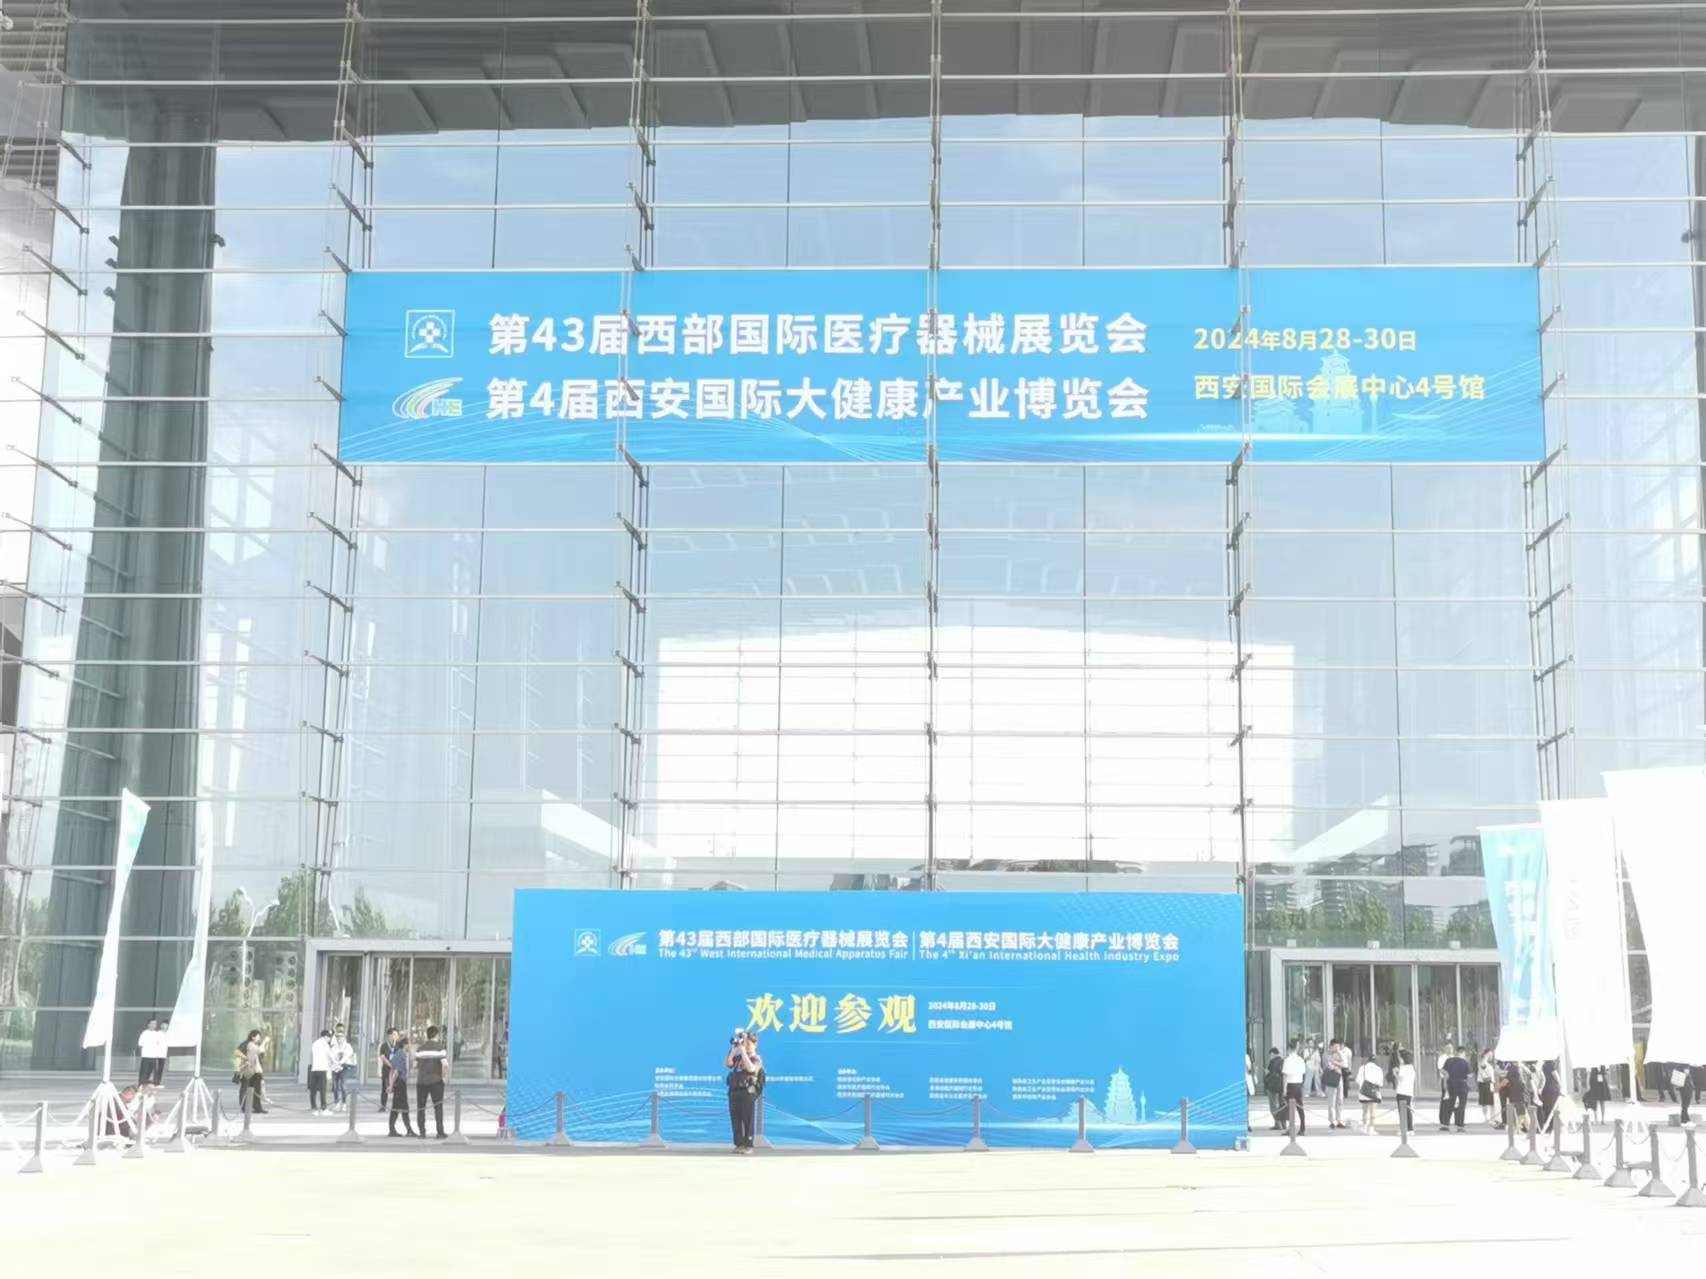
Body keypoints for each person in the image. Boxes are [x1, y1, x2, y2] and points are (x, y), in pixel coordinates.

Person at [725, 1029, 759, 1153]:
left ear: (755, 1044)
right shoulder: (738, 1058)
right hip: (734, 1091)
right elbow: (728, 1063)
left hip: (747, 1092)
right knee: (736, 1119)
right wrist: (734, 1050)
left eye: (749, 1044)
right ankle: (739, 1144)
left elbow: (751, 1069)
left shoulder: (756, 1058)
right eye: (745, 1043)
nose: (746, 1046)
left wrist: (744, 1051)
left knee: (747, 1119)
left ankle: (748, 1145)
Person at [415, 1024, 448, 1139]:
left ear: (427, 1035)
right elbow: (445, 1065)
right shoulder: (440, 1048)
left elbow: (415, 1065)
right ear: (436, 1035)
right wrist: (443, 1077)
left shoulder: (420, 1048)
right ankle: (440, 1132)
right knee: (438, 1107)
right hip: (436, 1081)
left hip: (421, 1082)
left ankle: (422, 1132)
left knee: (421, 1108)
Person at [387, 1034, 415, 1137]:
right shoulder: (401, 1055)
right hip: (400, 1083)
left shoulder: (397, 1055)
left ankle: (392, 1129)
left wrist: (390, 1084)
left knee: (396, 1107)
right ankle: (408, 1130)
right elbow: (396, 1072)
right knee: (404, 1107)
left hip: (398, 1083)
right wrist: (391, 1085)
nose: (410, 1046)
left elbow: (391, 1070)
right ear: (405, 1045)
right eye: (409, 1044)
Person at [237, 1029, 270, 1115]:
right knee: (245, 1088)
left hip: (256, 1070)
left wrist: (265, 1044)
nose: (259, 1038)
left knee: (257, 1089)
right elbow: (260, 1050)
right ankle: (244, 1107)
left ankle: (257, 1107)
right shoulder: (250, 1044)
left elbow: (262, 1054)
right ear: (253, 1037)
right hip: (248, 1069)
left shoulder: (256, 1045)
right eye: (258, 1037)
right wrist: (265, 1042)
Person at [1441, 1044, 1471, 1132]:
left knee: (1449, 1104)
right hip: (1462, 1084)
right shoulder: (1465, 1063)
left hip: (1451, 1084)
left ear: (1456, 1052)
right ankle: (1459, 1125)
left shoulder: (1449, 1060)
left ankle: (1445, 1124)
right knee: (1461, 1105)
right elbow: (1469, 1075)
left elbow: (1443, 1071)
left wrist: (1446, 1080)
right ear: (1463, 1053)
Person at [1281, 1039, 1307, 1134]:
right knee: (1300, 1107)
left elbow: (1285, 1075)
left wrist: (1284, 1089)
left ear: (1289, 1048)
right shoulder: (1301, 1060)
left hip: (1290, 1085)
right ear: (1296, 1048)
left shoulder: (1287, 1060)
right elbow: (1303, 1073)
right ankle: (1302, 1128)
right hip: (1299, 1085)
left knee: (1290, 1108)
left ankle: (1291, 1129)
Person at [330, 1024, 357, 1112]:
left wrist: (340, 1063)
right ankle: (336, 1103)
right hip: (335, 1068)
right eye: (337, 1037)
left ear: (344, 1037)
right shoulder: (333, 1046)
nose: (339, 1039)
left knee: (343, 1086)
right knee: (335, 1087)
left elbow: (347, 1056)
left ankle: (344, 1104)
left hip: (344, 1068)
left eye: (341, 1037)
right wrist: (336, 1064)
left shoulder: (347, 1046)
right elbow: (332, 1056)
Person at [307, 1027, 334, 1114]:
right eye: (329, 1037)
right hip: (322, 1069)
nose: (330, 1039)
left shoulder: (315, 1043)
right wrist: (337, 1063)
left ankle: (313, 1107)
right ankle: (323, 1108)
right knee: (323, 1090)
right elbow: (330, 1056)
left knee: (313, 1090)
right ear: (325, 1037)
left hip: (314, 1069)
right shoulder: (325, 1044)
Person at [1356, 1054, 1385, 1134]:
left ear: (1368, 1060)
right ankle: (1371, 1129)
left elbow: (1358, 1080)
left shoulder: (1362, 1068)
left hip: (1363, 1092)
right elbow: (1380, 1083)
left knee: (1364, 1111)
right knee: (1373, 1112)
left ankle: (1364, 1127)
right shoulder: (1378, 1069)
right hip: (1373, 1092)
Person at [137, 1018, 167, 1089]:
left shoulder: (157, 1034)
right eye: (152, 1023)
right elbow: (140, 1044)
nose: (154, 1025)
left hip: (154, 1056)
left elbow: (160, 1043)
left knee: (155, 1071)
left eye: (155, 1024)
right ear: (148, 1025)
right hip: (146, 1056)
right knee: (144, 1072)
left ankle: (155, 1084)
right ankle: (141, 1085)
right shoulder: (144, 1033)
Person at [1322, 1037, 1345, 1129]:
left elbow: (1345, 1064)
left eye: (1338, 1046)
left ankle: (1339, 1120)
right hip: (1331, 1078)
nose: (1337, 1048)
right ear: (1331, 1046)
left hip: (1339, 1078)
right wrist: (1338, 1065)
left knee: (1340, 1099)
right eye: (1336, 1046)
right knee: (1331, 1100)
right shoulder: (1326, 1054)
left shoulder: (1339, 1053)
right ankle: (1332, 1121)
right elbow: (1328, 1066)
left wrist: (1335, 1061)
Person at [1394, 1049, 1416, 1139]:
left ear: (1403, 1058)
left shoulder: (1403, 1067)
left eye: (1400, 1057)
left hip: (1401, 1091)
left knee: (1402, 1112)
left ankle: (1404, 1129)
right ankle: (1410, 1129)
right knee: (1408, 1111)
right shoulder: (1411, 1067)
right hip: (1409, 1092)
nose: (1399, 1059)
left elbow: (1400, 1079)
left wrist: (1395, 1073)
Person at [376, 1027, 400, 1114]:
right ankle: (383, 1106)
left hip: (396, 1070)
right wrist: (390, 1065)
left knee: (397, 1089)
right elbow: (382, 1057)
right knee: (385, 1089)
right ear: (389, 1035)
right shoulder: (384, 1045)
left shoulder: (398, 1045)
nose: (396, 1036)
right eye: (394, 1034)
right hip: (386, 1070)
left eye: (397, 1035)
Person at [1262, 1047, 1284, 1130]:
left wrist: (1268, 1073)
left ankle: (1278, 1123)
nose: (1269, 1057)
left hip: (1272, 1086)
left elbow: (1272, 1074)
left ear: (1273, 1054)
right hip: (1280, 1086)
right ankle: (1282, 1124)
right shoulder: (1282, 1061)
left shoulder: (1273, 1062)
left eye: (1270, 1055)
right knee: (1281, 1105)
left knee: (1273, 1106)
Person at [1537, 1060, 1562, 1132]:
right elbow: (1556, 1076)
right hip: (1552, 1090)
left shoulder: (1544, 1065)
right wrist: (1560, 1086)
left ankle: (1549, 1127)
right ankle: (1552, 1126)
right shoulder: (1550, 1065)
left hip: (1546, 1090)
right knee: (1552, 1108)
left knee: (1547, 1108)